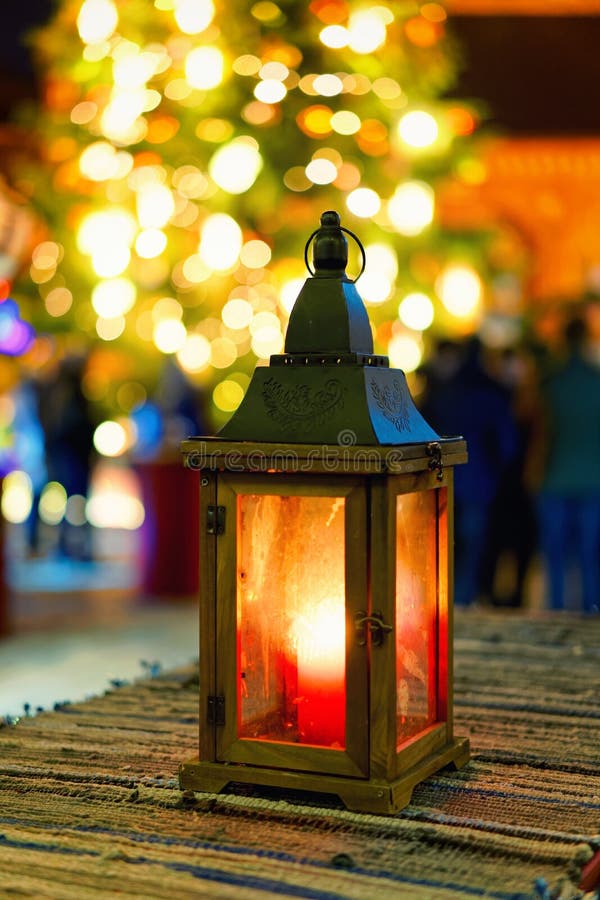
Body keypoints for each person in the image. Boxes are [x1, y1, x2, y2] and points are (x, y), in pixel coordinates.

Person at [420, 337, 518, 607]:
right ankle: (463, 599)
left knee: (442, 542)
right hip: (479, 482)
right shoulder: (492, 395)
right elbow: (507, 444)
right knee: (473, 544)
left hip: (442, 480)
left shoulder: (444, 392)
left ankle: (440, 597)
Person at [532, 315, 600, 613]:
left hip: (554, 479)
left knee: (556, 557)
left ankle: (556, 613)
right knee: (590, 556)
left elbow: (540, 434)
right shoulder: (595, 382)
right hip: (592, 480)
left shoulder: (550, 382)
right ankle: (590, 612)